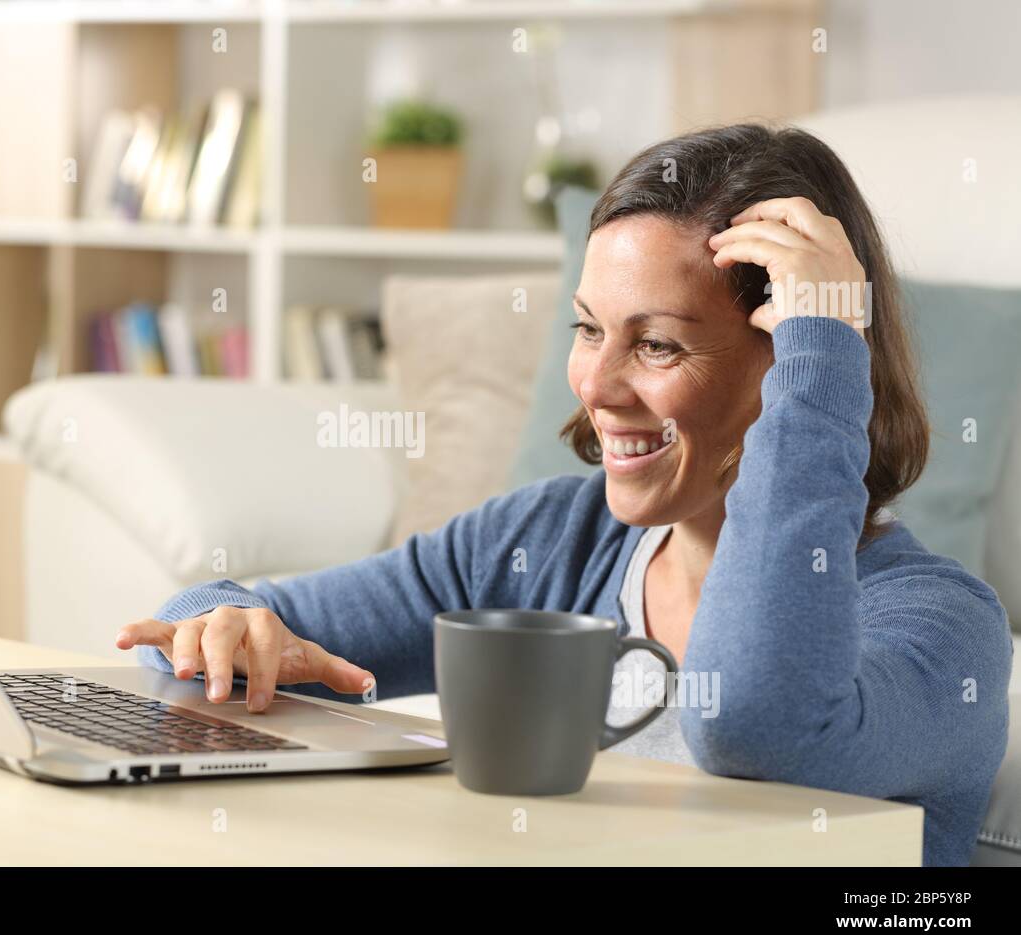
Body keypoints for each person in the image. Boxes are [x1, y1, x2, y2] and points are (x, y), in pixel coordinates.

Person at [115, 123, 1012, 867]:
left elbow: (751, 722)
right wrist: (217, 627)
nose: (598, 385)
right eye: (588, 331)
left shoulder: (940, 631)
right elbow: (214, 624)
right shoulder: (546, 542)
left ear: (790, 369)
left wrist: (823, 361)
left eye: (657, 345)